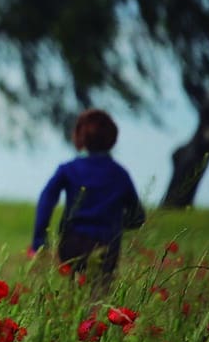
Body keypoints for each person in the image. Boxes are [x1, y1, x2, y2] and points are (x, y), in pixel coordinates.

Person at [29, 108, 146, 288]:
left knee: (75, 290)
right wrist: (116, 224)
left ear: (79, 137)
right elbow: (138, 216)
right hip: (107, 243)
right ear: (112, 139)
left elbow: (46, 200)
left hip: (72, 242)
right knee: (100, 293)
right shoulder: (119, 174)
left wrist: (39, 241)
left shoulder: (68, 169)